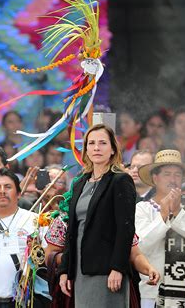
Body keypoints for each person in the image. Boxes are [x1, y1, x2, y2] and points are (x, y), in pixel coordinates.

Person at [58, 123, 137, 307]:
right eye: (91, 143)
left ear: (112, 149)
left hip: (107, 270)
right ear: (85, 150)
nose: (96, 148)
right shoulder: (79, 183)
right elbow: (72, 231)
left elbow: (125, 229)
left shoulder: (120, 180)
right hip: (80, 269)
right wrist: (65, 270)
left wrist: (118, 267)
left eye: (102, 143)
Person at [135, 149, 185, 307]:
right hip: (153, 290)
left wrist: (178, 213)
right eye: (167, 174)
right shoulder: (143, 208)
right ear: (155, 178)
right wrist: (163, 215)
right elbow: (140, 245)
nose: (173, 179)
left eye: (177, 175)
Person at [0, 168, 47, 308]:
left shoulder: (35, 220)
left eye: (8, 187)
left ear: (19, 193)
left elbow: (47, 256)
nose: (2, 191)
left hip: (24, 301)